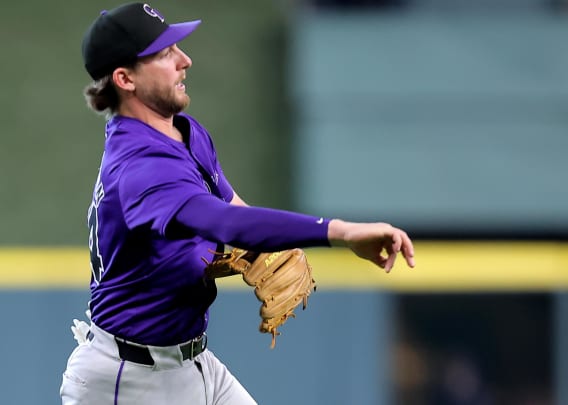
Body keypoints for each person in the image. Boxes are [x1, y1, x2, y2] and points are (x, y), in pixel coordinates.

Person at [60, 3, 415, 404]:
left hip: (192, 363)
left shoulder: (185, 133)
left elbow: (235, 211)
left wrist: (265, 245)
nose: (184, 59)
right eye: (164, 54)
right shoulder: (139, 166)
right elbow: (226, 224)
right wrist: (341, 231)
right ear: (125, 78)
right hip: (130, 382)